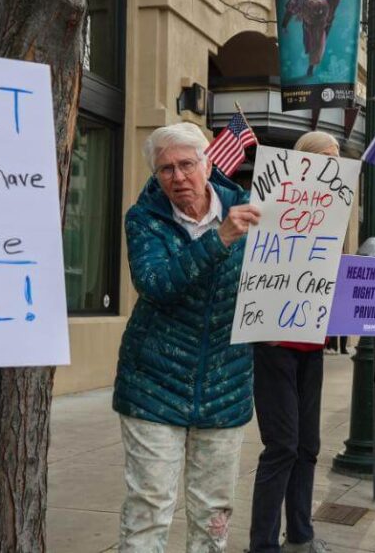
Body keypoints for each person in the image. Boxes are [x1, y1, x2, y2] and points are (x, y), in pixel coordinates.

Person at [113, 122, 260, 552]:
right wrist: (220, 239)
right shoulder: (145, 220)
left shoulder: (251, 212)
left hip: (225, 388)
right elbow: (156, 283)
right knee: (149, 509)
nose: (178, 177)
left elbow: (292, 283)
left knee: (214, 516)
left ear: (208, 163)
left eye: (186, 165)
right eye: (165, 169)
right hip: (152, 386)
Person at [248, 131, 338, 553]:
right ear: (304, 161)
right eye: (324, 158)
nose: (331, 166)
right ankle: (263, 544)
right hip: (273, 345)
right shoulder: (271, 203)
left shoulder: (333, 211)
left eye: (336, 159)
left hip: (312, 346)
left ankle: (300, 535)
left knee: (307, 446)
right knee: (281, 446)